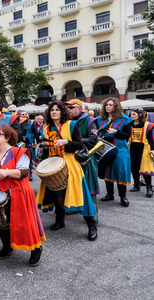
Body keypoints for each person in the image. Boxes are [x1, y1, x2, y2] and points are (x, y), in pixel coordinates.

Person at [0, 125, 45, 266]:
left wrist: (7, 172)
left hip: (17, 192)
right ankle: (7, 246)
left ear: (8, 137)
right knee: (0, 222)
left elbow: (24, 172)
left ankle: (36, 248)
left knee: (24, 223)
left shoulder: (19, 152)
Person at [36, 101, 97, 237]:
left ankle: (92, 226)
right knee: (56, 194)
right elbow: (46, 150)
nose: (54, 112)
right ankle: (60, 220)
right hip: (53, 165)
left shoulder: (71, 125)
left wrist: (67, 142)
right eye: (52, 110)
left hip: (70, 164)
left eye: (57, 110)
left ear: (62, 112)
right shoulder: (45, 129)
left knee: (81, 196)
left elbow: (79, 145)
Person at [65, 99, 99, 241]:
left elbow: (93, 139)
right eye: (67, 107)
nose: (68, 110)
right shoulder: (66, 121)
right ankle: (75, 207)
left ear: (79, 108)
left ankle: (93, 217)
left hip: (86, 159)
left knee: (89, 190)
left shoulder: (90, 121)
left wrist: (75, 140)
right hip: (72, 159)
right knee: (74, 187)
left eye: (71, 107)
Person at [97, 97, 133, 207]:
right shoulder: (100, 119)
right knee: (107, 171)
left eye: (110, 105)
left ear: (116, 106)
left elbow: (127, 136)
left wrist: (116, 132)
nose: (108, 106)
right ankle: (110, 194)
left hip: (120, 149)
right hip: (105, 149)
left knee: (121, 172)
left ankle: (123, 196)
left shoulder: (125, 119)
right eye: (106, 104)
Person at [128, 108, 154, 197]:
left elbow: (151, 138)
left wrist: (153, 149)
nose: (131, 116)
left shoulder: (147, 125)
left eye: (133, 114)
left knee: (145, 169)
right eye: (131, 114)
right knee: (134, 168)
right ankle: (136, 185)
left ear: (139, 115)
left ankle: (149, 187)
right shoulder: (129, 124)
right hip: (132, 148)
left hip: (144, 148)